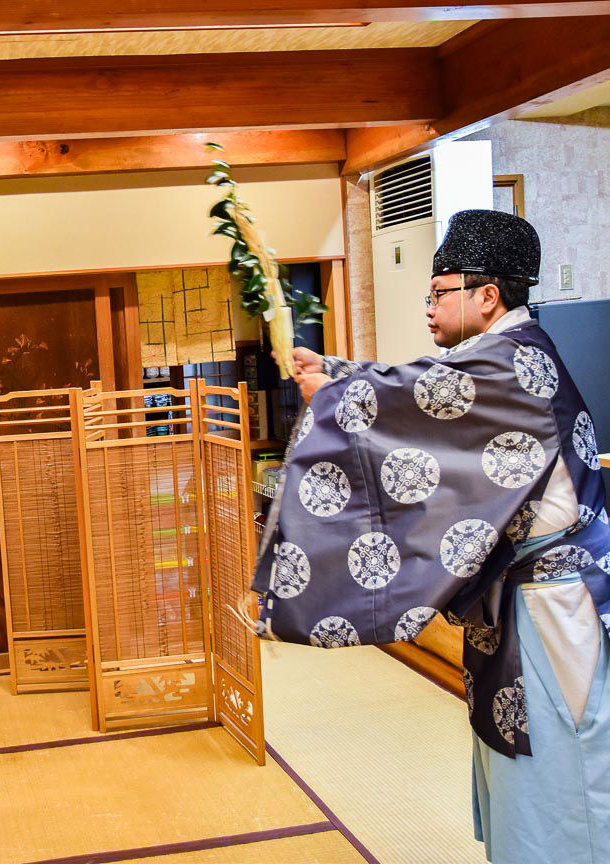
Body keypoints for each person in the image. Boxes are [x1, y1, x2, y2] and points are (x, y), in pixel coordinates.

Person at [253, 210, 610, 863]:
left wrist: (336, 388)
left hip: (554, 612)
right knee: (532, 781)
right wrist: (334, 371)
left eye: (438, 292)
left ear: (487, 294)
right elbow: (426, 393)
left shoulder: (515, 364)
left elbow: (420, 401)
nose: (428, 307)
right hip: (526, 606)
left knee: (565, 792)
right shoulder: (504, 358)